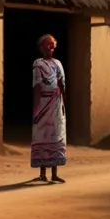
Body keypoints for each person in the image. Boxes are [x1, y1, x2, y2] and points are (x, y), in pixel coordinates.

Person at [31, 33, 67, 183]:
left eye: (52, 44)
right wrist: (36, 108)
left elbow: (61, 85)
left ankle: (54, 173)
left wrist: (63, 104)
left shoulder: (58, 63)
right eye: (47, 44)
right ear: (41, 47)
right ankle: (42, 173)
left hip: (56, 103)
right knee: (42, 135)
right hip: (44, 104)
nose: (51, 47)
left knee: (56, 135)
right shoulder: (38, 64)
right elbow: (38, 87)